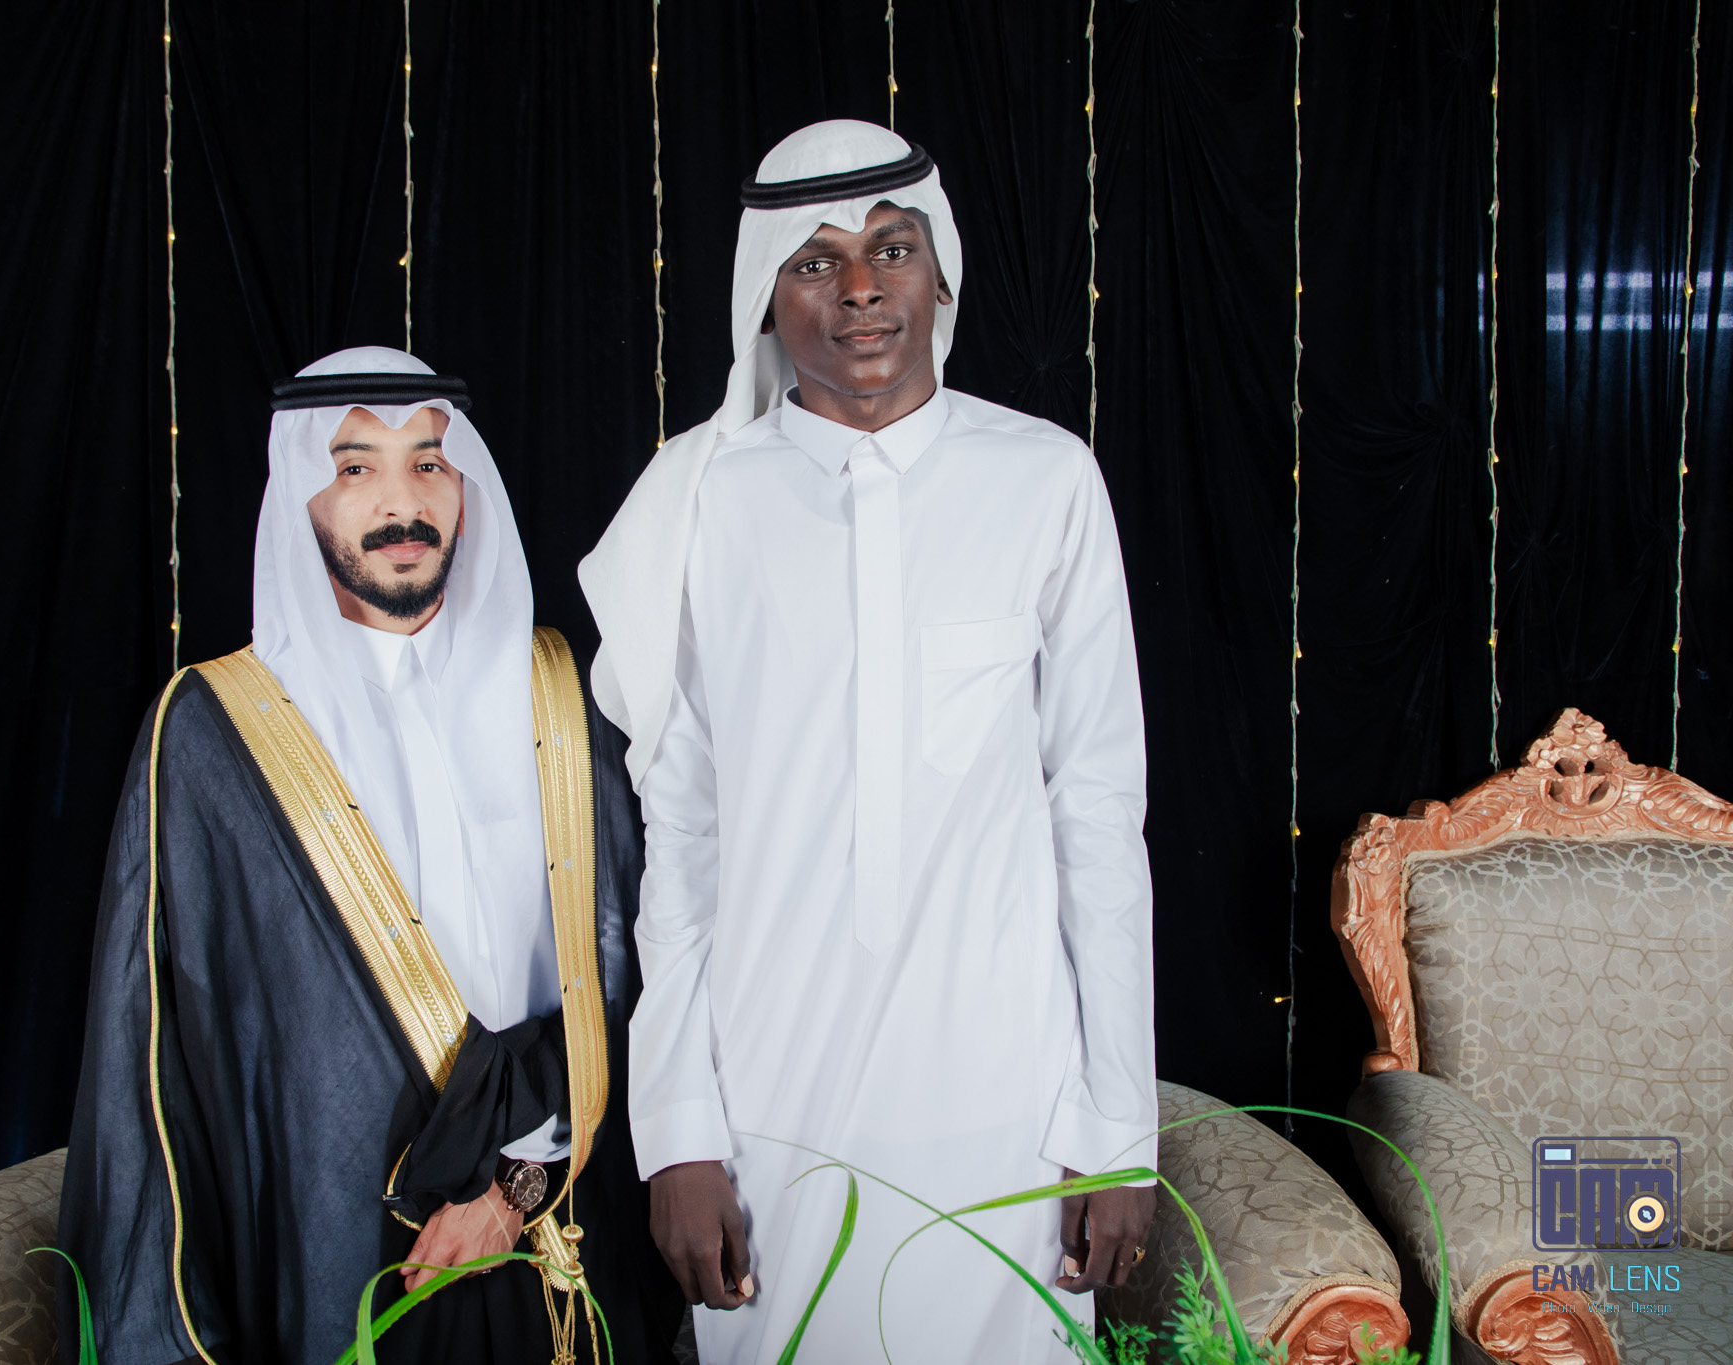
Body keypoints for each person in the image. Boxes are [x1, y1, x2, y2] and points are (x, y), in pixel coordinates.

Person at [580, 121, 1158, 1362]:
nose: (857, 288)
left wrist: (1117, 1132)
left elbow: (1098, 818)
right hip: (772, 1105)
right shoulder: (696, 505)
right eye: (814, 260)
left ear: (937, 273)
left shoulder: (1046, 480)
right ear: (763, 294)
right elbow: (678, 841)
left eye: (890, 249)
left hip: (1007, 1102)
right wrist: (676, 1131)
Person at [60, 347, 679, 1365]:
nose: (402, 501)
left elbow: (626, 972)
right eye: (356, 468)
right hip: (334, 1250)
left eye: (428, 462)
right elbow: (157, 1051)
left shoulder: (562, 695)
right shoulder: (213, 731)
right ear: (303, 497)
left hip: (558, 1227)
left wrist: (514, 1187)